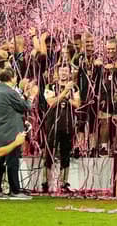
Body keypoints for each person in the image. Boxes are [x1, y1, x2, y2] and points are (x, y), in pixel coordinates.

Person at [0, 67, 37, 199]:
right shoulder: (10, 92)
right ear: (11, 78)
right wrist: (31, 96)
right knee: (12, 161)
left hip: (0, 131)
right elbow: (25, 107)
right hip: (12, 132)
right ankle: (15, 190)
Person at [41, 64, 80, 193]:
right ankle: (45, 182)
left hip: (67, 125)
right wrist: (64, 93)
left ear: (69, 73)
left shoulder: (74, 87)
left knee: (65, 153)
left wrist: (67, 99)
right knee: (49, 153)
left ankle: (64, 183)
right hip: (53, 124)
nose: (63, 73)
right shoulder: (50, 86)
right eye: (61, 70)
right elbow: (51, 103)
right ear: (57, 73)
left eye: (66, 70)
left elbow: (77, 104)